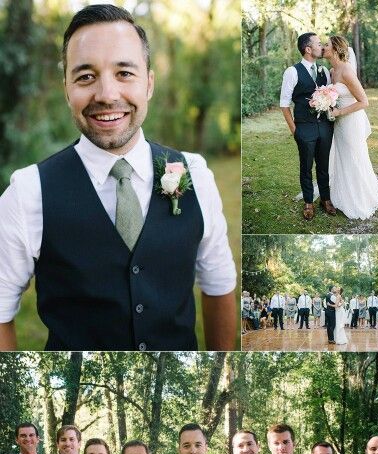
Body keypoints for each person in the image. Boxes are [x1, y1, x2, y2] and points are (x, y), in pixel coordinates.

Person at [0, 4, 236, 353]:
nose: (107, 95)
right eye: (85, 76)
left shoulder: (196, 174)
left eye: (124, 73)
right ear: (66, 89)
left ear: (149, 83)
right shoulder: (27, 192)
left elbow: (219, 284)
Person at [323, 36, 378, 220]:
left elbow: (364, 101)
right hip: (339, 122)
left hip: (351, 121)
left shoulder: (346, 71)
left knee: (354, 155)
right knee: (342, 155)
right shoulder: (332, 70)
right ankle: (342, 192)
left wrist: (339, 112)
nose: (323, 47)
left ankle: (358, 196)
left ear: (335, 49)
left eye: (326, 45)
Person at [280, 33, 336, 221]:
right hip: (304, 128)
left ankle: (326, 199)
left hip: (325, 127)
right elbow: (284, 104)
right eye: (319, 44)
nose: (322, 47)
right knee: (306, 167)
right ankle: (308, 202)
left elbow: (330, 97)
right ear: (308, 49)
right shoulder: (292, 72)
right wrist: (295, 131)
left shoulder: (324, 71)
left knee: (324, 165)